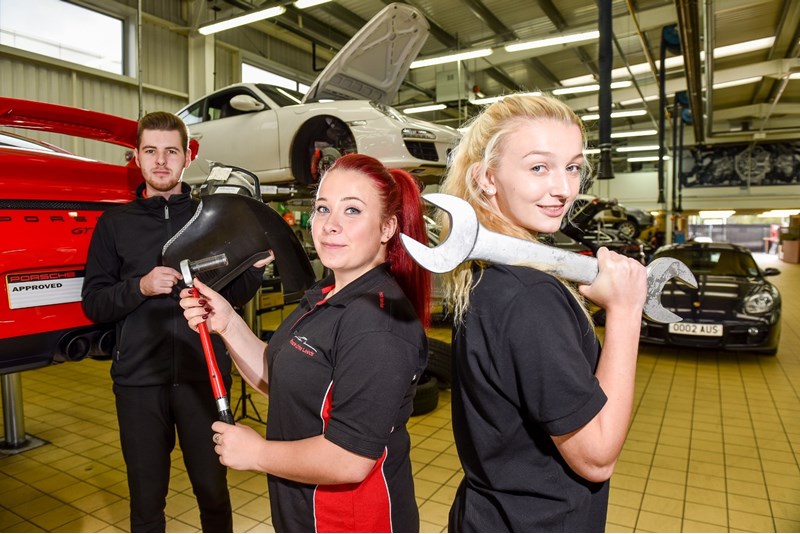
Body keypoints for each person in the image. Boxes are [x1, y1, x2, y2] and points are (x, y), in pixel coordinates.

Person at [179, 153, 431, 532]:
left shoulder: (378, 324)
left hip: (350, 520)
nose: (330, 225)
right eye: (323, 208)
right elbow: (283, 380)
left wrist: (257, 453)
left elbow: (350, 459)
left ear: (387, 227)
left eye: (352, 211)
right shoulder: (325, 293)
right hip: (302, 512)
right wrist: (228, 322)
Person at [438, 94, 648, 532]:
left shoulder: (486, 277)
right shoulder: (529, 295)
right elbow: (596, 457)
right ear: (487, 177)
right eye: (539, 167)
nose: (564, 189)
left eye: (572, 167)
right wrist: (627, 312)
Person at [81, 111, 264, 532]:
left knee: (214, 494)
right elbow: (94, 303)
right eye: (151, 151)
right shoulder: (114, 225)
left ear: (187, 156)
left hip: (205, 378)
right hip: (139, 383)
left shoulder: (210, 217)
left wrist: (254, 272)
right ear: (137, 157)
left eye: (170, 151)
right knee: (147, 503)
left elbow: (228, 298)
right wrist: (139, 287)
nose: (161, 161)